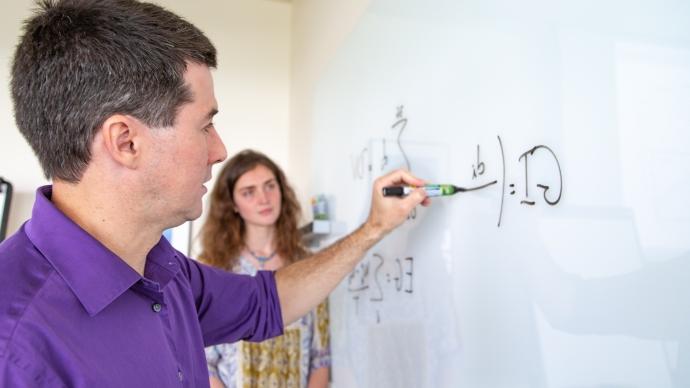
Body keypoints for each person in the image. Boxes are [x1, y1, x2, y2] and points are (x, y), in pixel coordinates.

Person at [0, 1, 428, 387]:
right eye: (205, 125)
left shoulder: (166, 272)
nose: (219, 150)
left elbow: (267, 302)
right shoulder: (14, 346)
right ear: (126, 141)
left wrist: (374, 228)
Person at [200, 150, 330, 388]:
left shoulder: (307, 265)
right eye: (249, 192)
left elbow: (321, 356)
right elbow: (205, 362)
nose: (264, 198)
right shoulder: (213, 268)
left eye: (270, 186)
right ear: (233, 205)